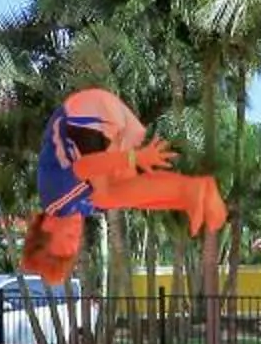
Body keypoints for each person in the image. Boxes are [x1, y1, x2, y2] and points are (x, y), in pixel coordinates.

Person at [19, 87, 227, 287]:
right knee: (118, 193)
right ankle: (193, 192)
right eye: (76, 237)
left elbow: (85, 166)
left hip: (84, 115)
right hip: (110, 120)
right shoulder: (79, 205)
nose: (76, 229)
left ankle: (190, 191)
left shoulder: (56, 199)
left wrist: (133, 157)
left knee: (106, 196)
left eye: (68, 235)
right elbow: (133, 193)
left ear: (47, 226)